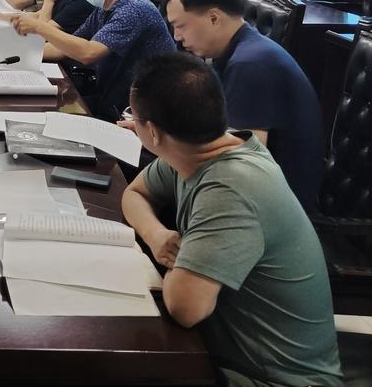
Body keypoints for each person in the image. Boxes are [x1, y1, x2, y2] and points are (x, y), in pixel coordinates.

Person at [121, 52, 341, 387]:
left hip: (272, 378)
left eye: (133, 118)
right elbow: (135, 194)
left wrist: (180, 265)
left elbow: (185, 308)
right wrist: (156, 235)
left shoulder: (229, 186)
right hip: (227, 357)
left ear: (151, 132)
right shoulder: (202, 147)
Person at [159, 0, 324, 210]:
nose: (177, 36)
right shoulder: (237, 51)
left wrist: (163, 141)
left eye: (180, 25)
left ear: (214, 18)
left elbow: (241, 158)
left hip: (277, 206)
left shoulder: (250, 64)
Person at [8, 0, 175, 119]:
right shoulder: (104, 9)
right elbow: (62, 48)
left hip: (144, 111)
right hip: (113, 97)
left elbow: (88, 53)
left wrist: (39, 27)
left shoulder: (134, 9)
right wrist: (15, 53)